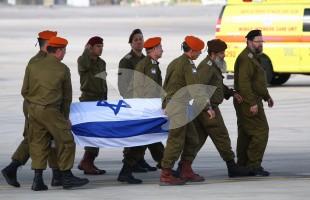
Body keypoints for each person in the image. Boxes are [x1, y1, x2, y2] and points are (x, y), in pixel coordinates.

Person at [22, 36, 89, 191]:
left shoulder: (33, 65)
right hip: (51, 110)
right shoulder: (62, 69)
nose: (64, 53)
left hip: (33, 109)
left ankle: (37, 180)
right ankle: (66, 176)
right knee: (66, 141)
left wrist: (34, 103)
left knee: (38, 142)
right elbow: (66, 98)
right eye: (64, 50)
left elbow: (24, 90)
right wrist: (65, 119)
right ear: (58, 51)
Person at [1, 30, 61, 188]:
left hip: (37, 104)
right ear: (48, 44)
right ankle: (14, 169)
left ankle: (55, 175)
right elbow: (27, 90)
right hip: (38, 105)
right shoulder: (38, 62)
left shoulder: (42, 60)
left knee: (42, 137)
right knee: (38, 138)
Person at [160, 35, 214, 185]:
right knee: (176, 141)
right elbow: (196, 89)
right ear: (192, 51)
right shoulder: (188, 65)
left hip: (177, 105)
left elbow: (165, 85)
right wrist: (207, 108)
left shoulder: (174, 62)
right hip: (178, 106)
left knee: (193, 139)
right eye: (198, 52)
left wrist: (165, 103)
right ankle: (166, 173)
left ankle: (185, 169)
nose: (199, 54)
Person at [191, 39, 250, 177]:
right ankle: (232, 167)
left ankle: (183, 167)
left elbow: (216, 85)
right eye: (222, 53)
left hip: (204, 108)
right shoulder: (207, 67)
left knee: (196, 140)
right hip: (208, 109)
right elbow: (199, 89)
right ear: (213, 54)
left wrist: (231, 92)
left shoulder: (212, 66)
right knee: (221, 136)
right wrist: (208, 108)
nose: (224, 55)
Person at [118, 37, 166, 184]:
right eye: (160, 47)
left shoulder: (151, 64)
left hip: (147, 108)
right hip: (145, 110)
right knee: (142, 142)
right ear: (152, 50)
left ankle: (166, 167)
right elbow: (148, 90)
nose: (162, 50)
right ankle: (125, 172)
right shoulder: (147, 65)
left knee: (152, 140)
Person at [233, 29, 274, 176]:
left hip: (251, 99)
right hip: (248, 101)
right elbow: (243, 83)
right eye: (258, 42)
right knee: (261, 131)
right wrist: (252, 102)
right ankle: (253, 165)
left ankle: (243, 164)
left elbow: (256, 81)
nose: (260, 44)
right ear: (249, 42)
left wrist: (266, 96)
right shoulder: (246, 58)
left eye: (261, 41)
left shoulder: (254, 57)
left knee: (245, 133)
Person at [77, 36, 107, 175]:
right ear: (90, 47)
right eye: (97, 46)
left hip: (100, 100)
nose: (100, 48)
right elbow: (85, 65)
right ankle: (86, 162)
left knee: (97, 134)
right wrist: (86, 51)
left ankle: (88, 161)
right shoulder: (83, 60)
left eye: (101, 46)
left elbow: (103, 82)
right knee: (92, 133)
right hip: (88, 100)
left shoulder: (102, 63)